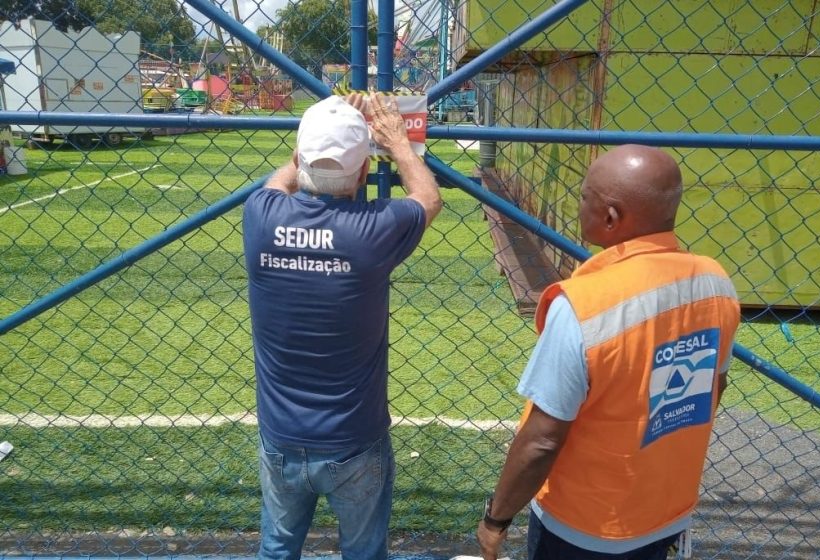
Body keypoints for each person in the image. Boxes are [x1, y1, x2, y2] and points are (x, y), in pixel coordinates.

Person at [477, 144, 740, 560]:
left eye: (585, 197)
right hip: (666, 509)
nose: (580, 205)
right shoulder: (716, 282)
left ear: (611, 217)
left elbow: (542, 440)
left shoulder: (583, 305)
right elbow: (711, 389)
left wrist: (496, 520)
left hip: (586, 525)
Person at [243, 92, 441, 560]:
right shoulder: (373, 230)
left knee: (276, 548)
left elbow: (281, 181)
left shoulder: (260, 217)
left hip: (281, 436)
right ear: (363, 172)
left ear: (297, 157)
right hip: (354, 439)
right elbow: (427, 198)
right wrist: (397, 141)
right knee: (364, 551)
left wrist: (326, 119)